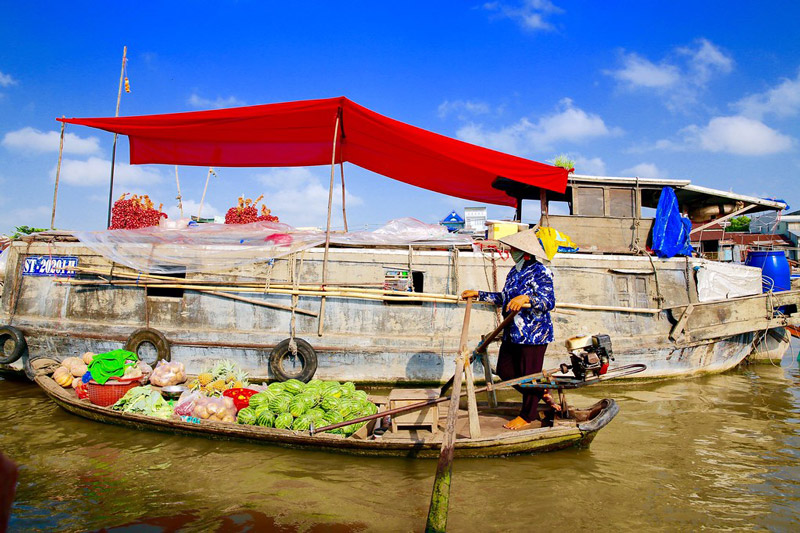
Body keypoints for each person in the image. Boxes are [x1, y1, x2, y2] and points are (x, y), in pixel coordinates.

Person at [461, 228, 557, 430]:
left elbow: (548, 301)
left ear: (524, 251)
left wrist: (527, 299)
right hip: (512, 331)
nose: (511, 251)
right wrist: (478, 294)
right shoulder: (514, 272)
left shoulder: (541, 271)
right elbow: (504, 298)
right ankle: (542, 393)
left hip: (534, 334)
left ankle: (527, 415)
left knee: (529, 375)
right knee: (505, 371)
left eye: (514, 248)